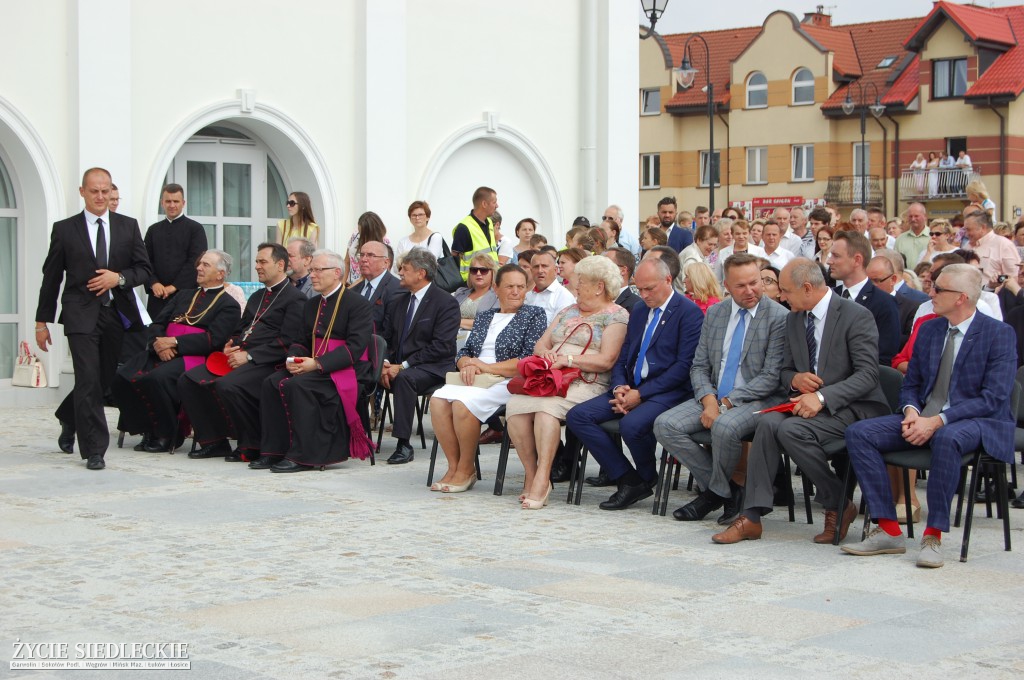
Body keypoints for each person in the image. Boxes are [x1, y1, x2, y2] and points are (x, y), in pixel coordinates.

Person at [843, 264, 1016, 568]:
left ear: (961, 297)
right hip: (925, 415)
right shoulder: (929, 328)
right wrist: (911, 411)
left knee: (947, 437)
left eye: (939, 289)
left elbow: (993, 398)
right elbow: (912, 384)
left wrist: (937, 421)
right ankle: (888, 528)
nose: (931, 293)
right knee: (859, 433)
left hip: (977, 421)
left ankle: (933, 535)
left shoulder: (998, 334)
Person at [712, 258, 889, 545]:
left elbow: (868, 375)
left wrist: (821, 397)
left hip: (853, 406)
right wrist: (795, 379)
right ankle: (752, 516)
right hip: (805, 404)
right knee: (767, 423)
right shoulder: (794, 318)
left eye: (785, 290)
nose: (780, 297)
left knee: (790, 430)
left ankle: (837, 502)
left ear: (807, 288)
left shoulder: (856, 316)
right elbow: (783, 370)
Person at [654, 253, 789, 524]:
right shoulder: (716, 313)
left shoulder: (778, 317)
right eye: (741, 286)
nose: (750, 290)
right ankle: (730, 492)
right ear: (727, 285)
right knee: (665, 424)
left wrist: (725, 403)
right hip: (714, 394)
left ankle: (712, 495)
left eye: (755, 282)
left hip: (758, 398)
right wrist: (709, 400)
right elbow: (699, 365)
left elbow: (771, 376)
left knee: (724, 426)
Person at [36, 167, 152, 470]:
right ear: (82, 192)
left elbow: (144, 270)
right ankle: (95, 450)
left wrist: (120, 278)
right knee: (87, 378)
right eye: (94, 191)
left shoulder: (128, 226)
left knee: (102, 380)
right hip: (79, 314)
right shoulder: (65, 229)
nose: (100, 196)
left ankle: (68, 415)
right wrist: (41, 322)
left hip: (116, 313)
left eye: (105, 191)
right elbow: (51, 278)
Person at [567, 257, 704, 510]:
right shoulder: (640, 310)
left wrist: (641, 394)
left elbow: (684, 367)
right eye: (638, 289)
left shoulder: (688, 312)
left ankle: (646, 476)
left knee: (631, 424)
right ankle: (629, 479)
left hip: (668, 391)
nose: (643, 294)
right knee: (578, 417)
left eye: (649, 288)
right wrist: (619, 386)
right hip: (631, 386)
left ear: (667, 280)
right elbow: (625, 353)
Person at [506, 256, 629, 508]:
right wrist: (546, 354)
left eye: (581, 282)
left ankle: (543, 477)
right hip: (551, 377)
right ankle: (531, 473)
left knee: (545, 411)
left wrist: (569, 359)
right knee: (515, 407)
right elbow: (541, 343)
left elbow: (607, 360)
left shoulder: (616, 316)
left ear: (599, 286)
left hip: (587, 381)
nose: (575, 288)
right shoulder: (568, 310)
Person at [178, 242, 306, 462]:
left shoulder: (295, 299)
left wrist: (249, 356)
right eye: (256, 261)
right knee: (188, 380)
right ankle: (214, 441)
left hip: (268, 362)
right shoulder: (257, 297)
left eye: (262, 261)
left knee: (229, 385)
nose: (257, 266)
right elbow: (241, 329)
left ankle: (252, 443)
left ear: (280, 265)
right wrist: (231, 344)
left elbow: (287, 341)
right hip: (240, 357)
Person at [250, 249, 374, 472]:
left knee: (297, 386)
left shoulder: (358, 304)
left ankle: (304, 456)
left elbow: (354, 349)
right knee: (271, 382)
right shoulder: (312, 304)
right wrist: (293, 359)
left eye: (318, 270)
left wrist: (317, 364)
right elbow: (301, 340)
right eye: (312, 270)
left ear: (336, 273)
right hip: (312, 363)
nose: (312, 275)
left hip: (343, 369)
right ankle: (274, 451)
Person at [429, 265, 547, 494]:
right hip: (475, 377)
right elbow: (465, 351)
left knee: (463, 404)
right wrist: (466, 364)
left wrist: (485, 366)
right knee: (437, 400)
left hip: (505, 379)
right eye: (510, 286)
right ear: (496, 289)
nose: (515, 292)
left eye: (521, 287)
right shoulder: (485, 316)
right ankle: (453, 467)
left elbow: (527, 359)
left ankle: (466, 468)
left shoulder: (534, 315)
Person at [113, 250, 241, 453]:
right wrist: (158, 343)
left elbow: (213, 339)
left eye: (205, 265)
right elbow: (158, 322)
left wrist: (174, 343)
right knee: (122, 375)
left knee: (156, 378)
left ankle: (167, 434)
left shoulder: (229, 305)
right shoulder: (184, 294)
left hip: (194, 356)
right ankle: (146, 428)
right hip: (162, 349)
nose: (198, 267)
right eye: (199, 264)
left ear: (220, 274)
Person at [380, 249, 461, 464]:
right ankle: (354, 436)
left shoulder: (445, 303)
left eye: (405, 269)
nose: (400, 273)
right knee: (361, 373)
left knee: (405, 378)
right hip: (399, 365)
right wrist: (385, 363)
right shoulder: (398, 302)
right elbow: (386, 338)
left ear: (421, 273)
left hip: (433, 367)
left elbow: (441, 347)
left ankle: (403, 444)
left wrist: (403, 366)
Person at [828, 231, 901, 366]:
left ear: (857, 260)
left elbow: (885, 355)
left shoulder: (884, 303)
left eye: (836, 256)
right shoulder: (830, 297)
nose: (829, 261)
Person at [143, 183, 208, 319]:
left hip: (185, 295)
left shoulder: (195, 229)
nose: (172, 205)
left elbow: (196, 262)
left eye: (176, 201)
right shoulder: (153, 230)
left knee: (179, 336)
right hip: (157, 296)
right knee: (154, 336)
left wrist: (174, 286)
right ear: (162, 203)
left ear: (183, 203)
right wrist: (154, 283)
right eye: (168, 201)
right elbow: (145, 260)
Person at [868, 250, 929, 347]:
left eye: (876, 281)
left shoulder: (912, 307)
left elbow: (909, 340)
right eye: (868, 281)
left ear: (893, 279)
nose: (871, 286)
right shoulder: (860, 302)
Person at [350, 240, 401, 334]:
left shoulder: (397, 289)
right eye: (361, 255)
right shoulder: (354, 291)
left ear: (386, 263)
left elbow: (390, 332)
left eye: (370, 255)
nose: (364, 259)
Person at [962, 209, 1020, 287]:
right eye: (965, 230)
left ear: (982, 227)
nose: (966, 234)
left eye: (969, 229)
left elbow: (1014, 277)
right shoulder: (966, 246)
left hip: (995, 296)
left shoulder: (1004, 245)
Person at [452, 186, 500, 281]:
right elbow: (454, 258)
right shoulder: (464, 227)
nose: (497, 205)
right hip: (472, 283)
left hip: (491, 280)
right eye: (494, 202)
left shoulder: (489, 223)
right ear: (484, 204)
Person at [452, 254, 499, 347]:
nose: (478, 273)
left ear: (492, 272)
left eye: (483, 270)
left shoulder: (498, 296)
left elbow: (489, 323)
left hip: (481, 343)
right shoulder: (460, 292)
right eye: (474, 270)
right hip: (452, 339)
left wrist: (456, 322)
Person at [525, 250, 575, 325]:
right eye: (536, 267)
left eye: (544, 266)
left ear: (555, 270)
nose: (540, 270)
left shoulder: (563, 297)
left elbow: (560, 331)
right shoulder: (527, 296)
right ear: (531, 271)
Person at [392, 200, 445, 273]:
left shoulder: (435, 237)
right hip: (408, 283)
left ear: (427, 217)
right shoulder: (403, 241)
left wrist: (405, 262)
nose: (417, 218)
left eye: (420, 215)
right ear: (410, 219)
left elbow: (429, 264)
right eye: (414, 215)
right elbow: (396, 268)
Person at [345, 211, 389, 286]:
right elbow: (346, 261)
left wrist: (350, 290)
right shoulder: (355, 235)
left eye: (362, 232)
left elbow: (377, 271)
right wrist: (342, 285)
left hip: (366, 285)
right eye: (359, 230)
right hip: (349, 283)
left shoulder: (383, 243)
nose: (360, 234)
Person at [895, 203, 930, 267]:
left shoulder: (933, 237)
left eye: (916, 216)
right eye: (910, 216)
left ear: (925, 217)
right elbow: (896, 262)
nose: (913, 219)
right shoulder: (900, 239)